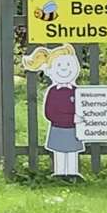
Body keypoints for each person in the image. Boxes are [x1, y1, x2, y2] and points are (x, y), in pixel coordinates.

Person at [21, 43, 83, 177]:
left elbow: (84, 108)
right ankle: (60, 173)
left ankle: (72, 173)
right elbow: (50, 113)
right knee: (59, 152)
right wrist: (71, 118)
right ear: (50, 70)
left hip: (74, 130)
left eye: (68, 65)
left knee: (72, 152)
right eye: (60, 66)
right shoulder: (53, 92)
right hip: (58, 129)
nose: (65, 69)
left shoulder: (77, 91)